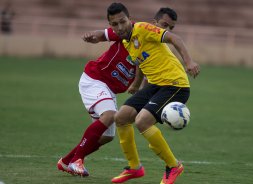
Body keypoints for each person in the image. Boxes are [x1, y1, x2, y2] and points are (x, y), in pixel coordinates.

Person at [57, 4, 180, 177]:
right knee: (109, 115)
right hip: (95, 80)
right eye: (163, 25)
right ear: (153, 22)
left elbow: (144, 75)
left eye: (170, 28)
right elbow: (104, 33)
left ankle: (65, 161)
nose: (164, 29)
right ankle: (77, 160)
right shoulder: (130, 30)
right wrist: (94, 37)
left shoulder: (156, 51)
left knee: (107, 136)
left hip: (110, 90)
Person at [107, 3, 200, 184]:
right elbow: (142, 61)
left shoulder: (142, 28)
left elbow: (175, 39)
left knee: (142, 121)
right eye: (114, 24)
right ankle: (134, 168)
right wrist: (136, 85)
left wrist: (189, 62)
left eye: (122, 22)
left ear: (129, 20)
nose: (119, 27)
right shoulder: (127, 41)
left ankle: (174, 165)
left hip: (175, 85)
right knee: (121, 117)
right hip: (156, 84)